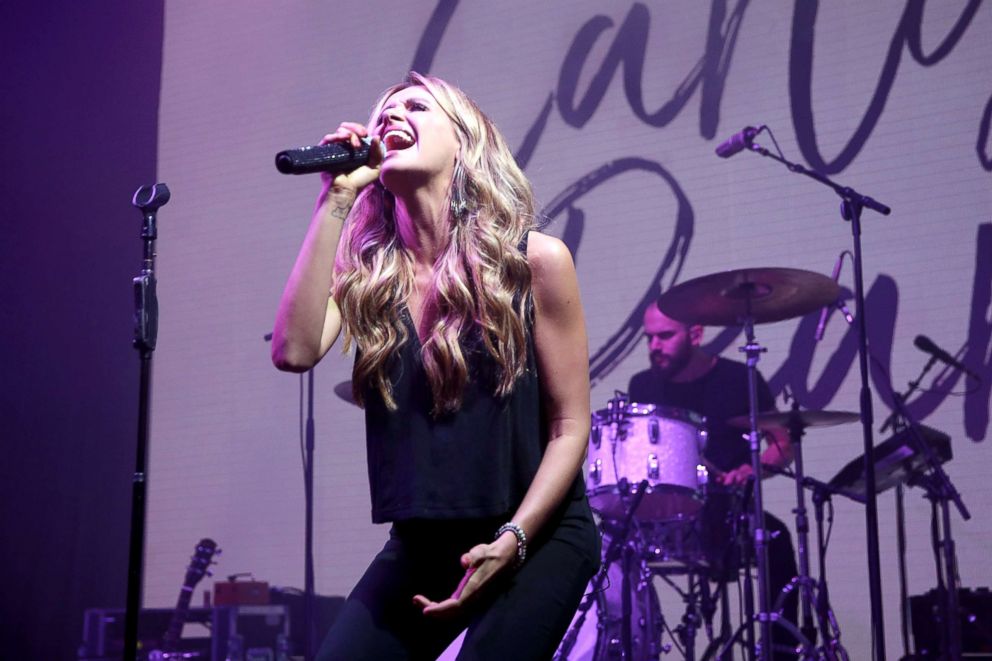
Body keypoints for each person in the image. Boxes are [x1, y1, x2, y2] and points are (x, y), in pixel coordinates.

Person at [271, 72, 600, 661]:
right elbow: (292, 353)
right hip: (424, 544)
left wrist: (514, 540)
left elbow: (570, 426)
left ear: (465, 141)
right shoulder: (368, 280)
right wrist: (335, 200)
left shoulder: (536, 262)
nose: (392, 119)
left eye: (417, 107)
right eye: (383, 115)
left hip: (536, 535)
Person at [627, 302, 800, 659]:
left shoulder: (740, 380)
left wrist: (752, 471)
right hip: (664, 516)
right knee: (610, 549)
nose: (654, 346)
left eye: (664, 336)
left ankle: (780, 651)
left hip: (729, 511)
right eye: (649, 338)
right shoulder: (642, 386)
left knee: (778, 539)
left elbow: (783, 445)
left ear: (696, 333)